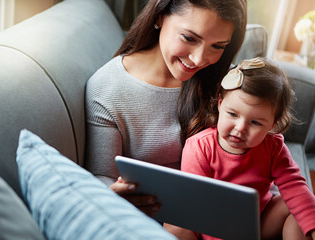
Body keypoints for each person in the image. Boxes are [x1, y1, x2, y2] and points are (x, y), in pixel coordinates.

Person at [85, 0, 247, 217]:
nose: (199, 59)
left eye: (217, 46)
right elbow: (103, 175)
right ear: (160, 17)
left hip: (219, 213)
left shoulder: (226, 81)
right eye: (189, 38)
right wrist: (113, 195)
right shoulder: (107, 88)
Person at [174, 57, 315, 240]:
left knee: (298, 207)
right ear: (220, 104)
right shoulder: (200, 146)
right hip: (210, 225)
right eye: (233, 114)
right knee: (176, 223)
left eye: (255, 122)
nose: (240, 128)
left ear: (273, 123)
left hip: (257, 223)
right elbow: (199, 204)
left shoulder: (273, 147)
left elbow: (294, 186)